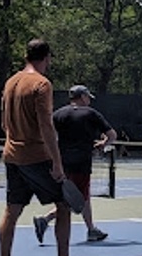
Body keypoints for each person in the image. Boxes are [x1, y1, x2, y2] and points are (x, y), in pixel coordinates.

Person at [0, 39, 93, 256]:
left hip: (11, 155)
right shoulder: (41, 84)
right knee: (63, 205)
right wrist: (57, 163)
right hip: (37, 157)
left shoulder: (10, 83)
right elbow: (46, 126)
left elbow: (4, 124)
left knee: (12, 210)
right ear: (46, 57)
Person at [33, 84, 116, 245]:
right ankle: (45, 219)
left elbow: (46, 134)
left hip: (61, 164)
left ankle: (91, 229)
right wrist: (103, 144)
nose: (89, 101)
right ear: (83, 97)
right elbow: (112, 135)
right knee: (77, 200)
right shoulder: (92, 114)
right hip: (81, 164)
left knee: (81, 198)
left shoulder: (58, 114)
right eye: (88, 97)